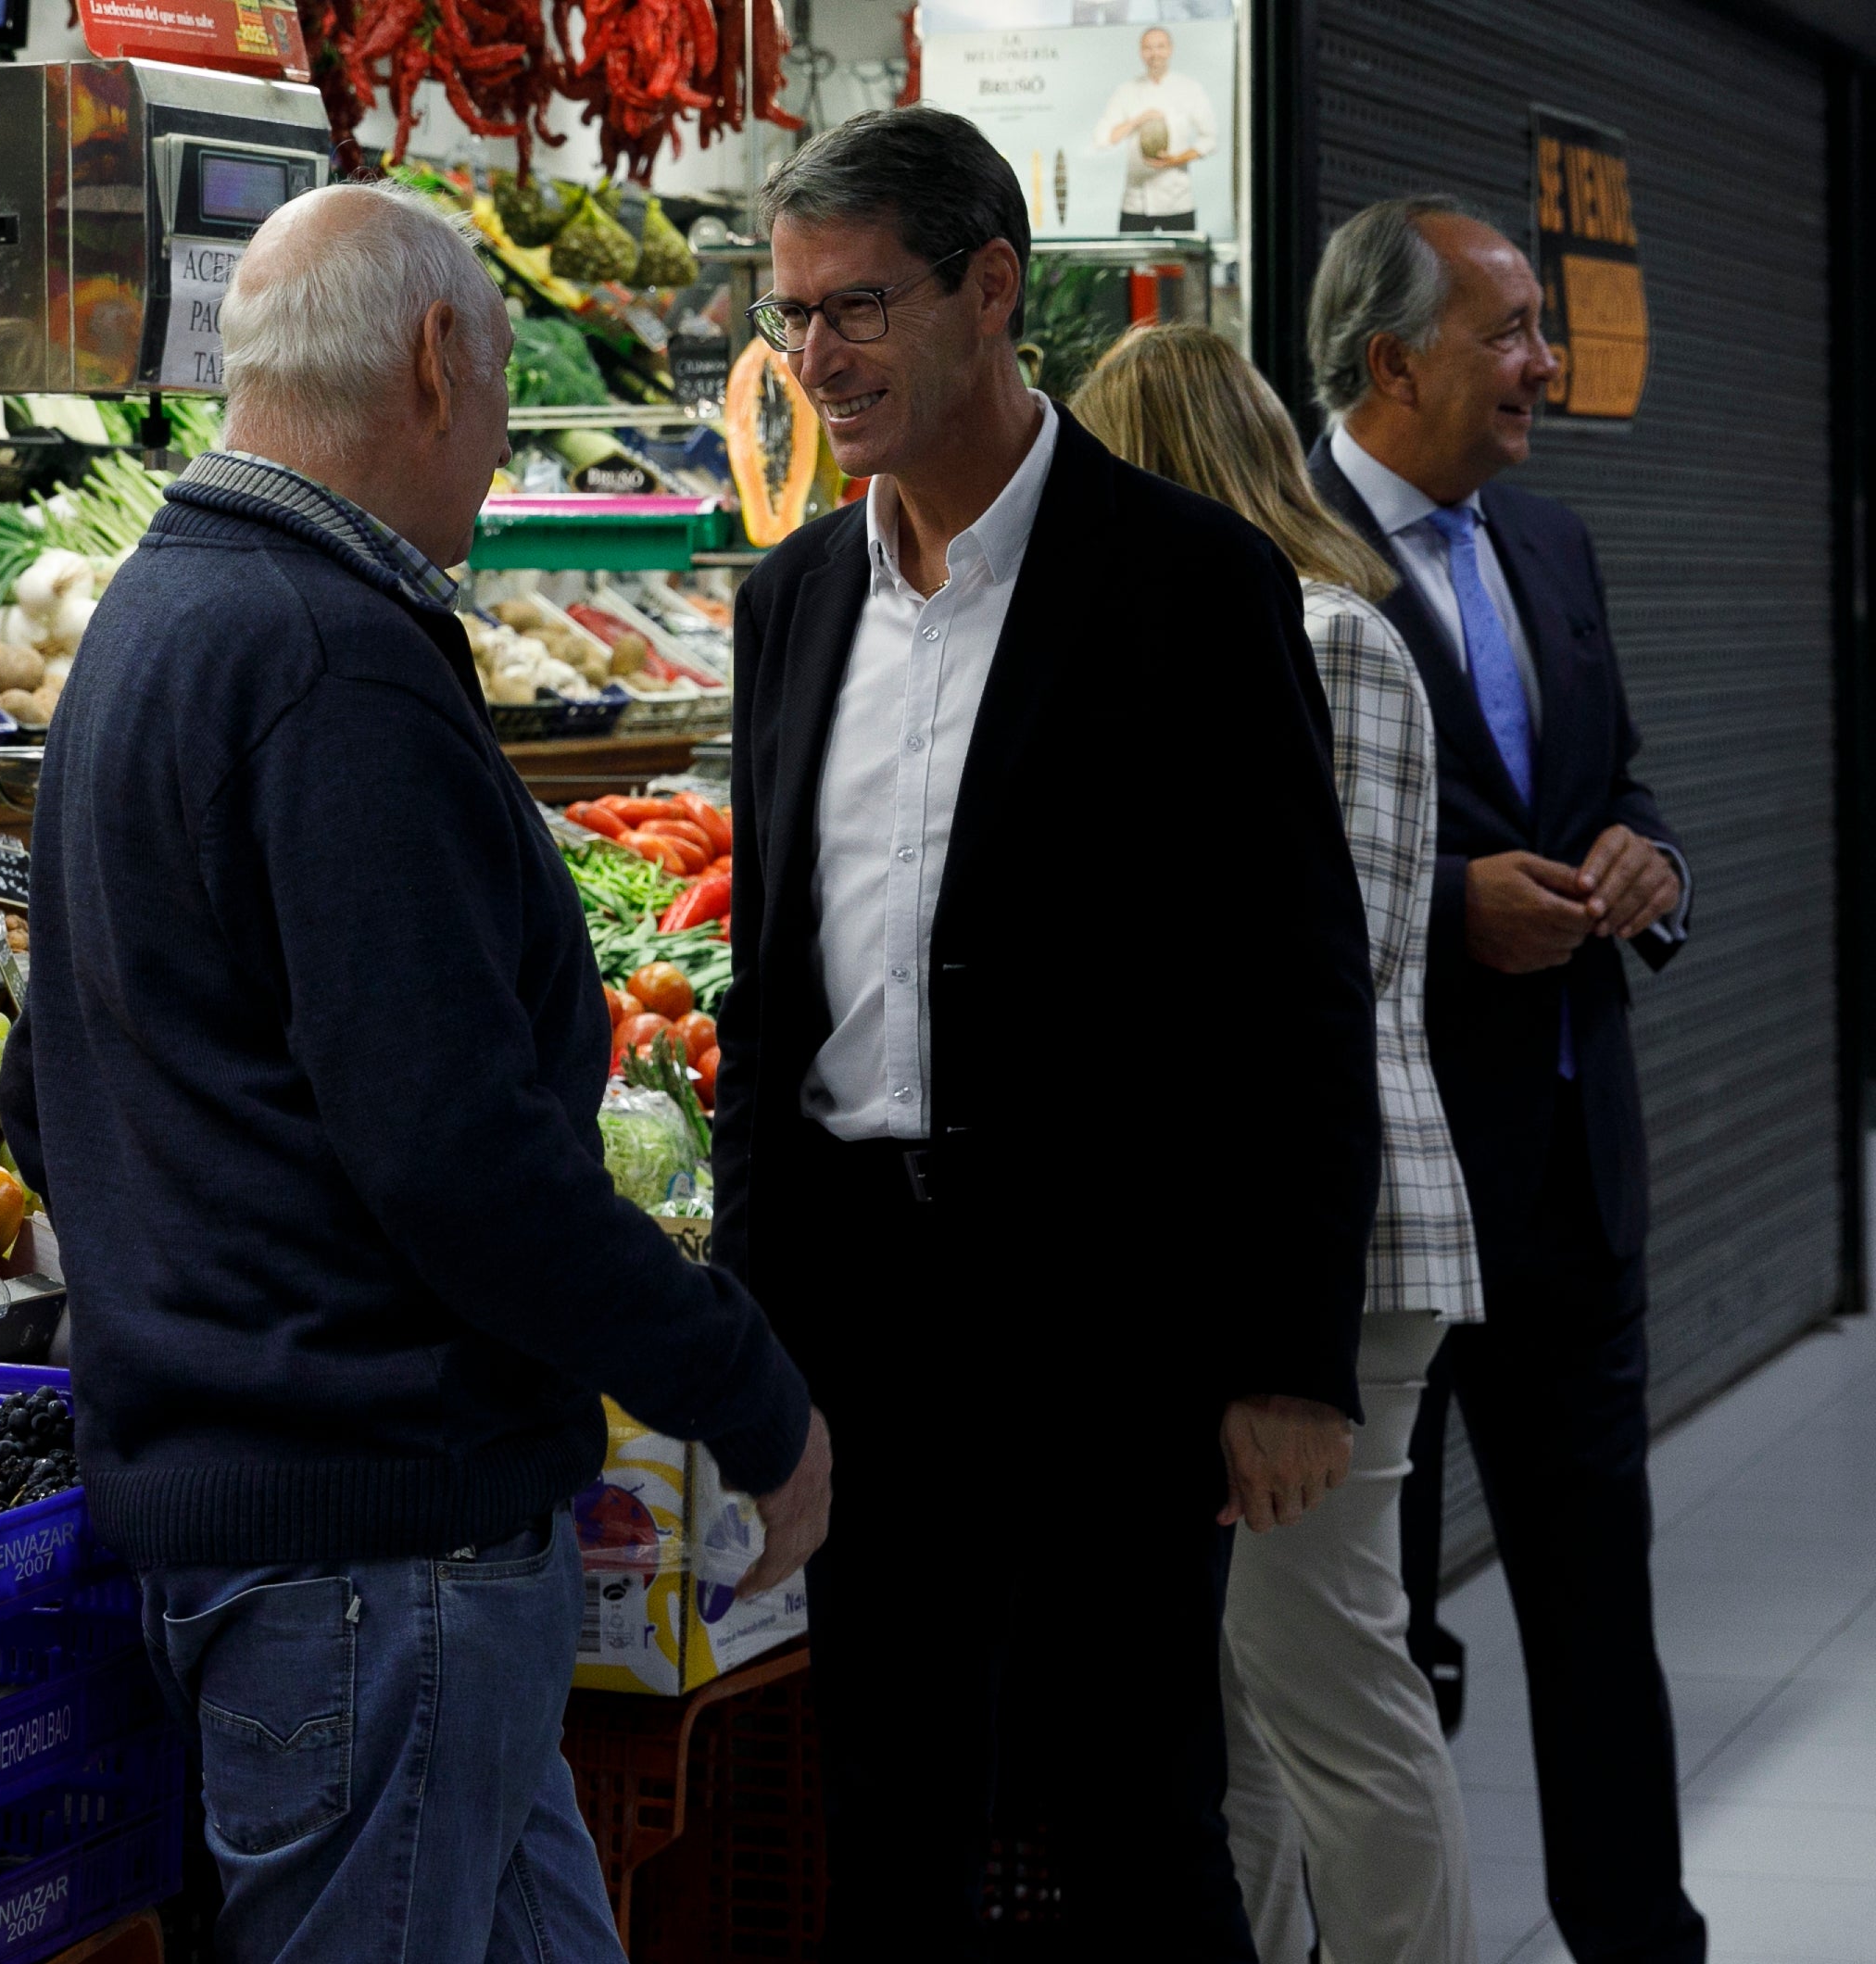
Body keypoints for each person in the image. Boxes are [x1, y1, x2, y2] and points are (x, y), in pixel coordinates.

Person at [3, 181, 830, 1963]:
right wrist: (747, 1394)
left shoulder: (152, 619)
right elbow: (465, 1162)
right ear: (439, 358)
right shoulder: (329, 663)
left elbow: (38, 1087)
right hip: (378, 1554)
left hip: (279, 1525)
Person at [711, 107, 1378, 1955]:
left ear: (991, 291)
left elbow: (1298, 989)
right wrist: (743, 1345)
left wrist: (1289, 1353)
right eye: (792, 318)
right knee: (888, 1807)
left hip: (1112, 1313)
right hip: (859, 1312)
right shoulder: (789, 608)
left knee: (1135, 1811)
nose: (816, 360)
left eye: (858, 310)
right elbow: (774, 1007)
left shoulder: (1182, 582)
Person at [1306, 195, 1701, 1964]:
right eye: (1509, 333)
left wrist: (1648, 872)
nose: (1544, 365)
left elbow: (1626, 784)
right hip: (1376, 1200)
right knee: (1365, 1631)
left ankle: (1637, 1940)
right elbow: (1219, 869)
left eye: (1540, 325)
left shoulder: (1546, 544)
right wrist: (1435, 904)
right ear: (1391, 359)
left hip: (1563, 1176)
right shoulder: (1262, 549)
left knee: (1595, 1613)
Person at [1076, 321, 1484, 1964]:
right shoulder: (1213, 641)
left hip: (1333, 1243)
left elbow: (1326, 972)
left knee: (1329, 1682)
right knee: (1232, 1703)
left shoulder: (1320, 640)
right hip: (1237, 1243)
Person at [1094, 26, 1215, 232]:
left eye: (1160, 46)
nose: (1154, 53)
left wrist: (1176, 159)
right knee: (1137, 263)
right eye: (1148, 48)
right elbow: (1104, 138)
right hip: (1136, 203)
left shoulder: (1189, 88)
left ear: (1170, 49)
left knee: (1178, 264)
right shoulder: (1126, 91)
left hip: (1177, 201)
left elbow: (1210, 139)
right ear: (1141, 52)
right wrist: (1138, 120)